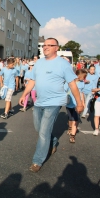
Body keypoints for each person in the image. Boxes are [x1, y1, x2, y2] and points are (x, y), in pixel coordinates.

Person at [19, 37, 84, 173]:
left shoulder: (63, 64)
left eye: (50, 45)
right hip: (39, 101)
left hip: (54, 102)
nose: (46, 47)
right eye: (44, 45)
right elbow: (32, 80)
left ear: (56, 48)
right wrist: (24, 94)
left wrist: (79, 103)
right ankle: (53, 142)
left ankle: (37, 161)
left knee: (43, 132)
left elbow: (72, 84)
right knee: (39, 128)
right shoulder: (39, 63)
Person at [64, 69, 86, 143]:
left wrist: (83, 102)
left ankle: (72, 136)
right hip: (69, 103)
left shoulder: (82, 83)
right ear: (79, 76)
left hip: (78, 104)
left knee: (75, 119)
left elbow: (82, 93)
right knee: (70, 118)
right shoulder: (69, 82)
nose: (84, 78)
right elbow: (64, 90)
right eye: (84, 76)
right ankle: (70, 128)